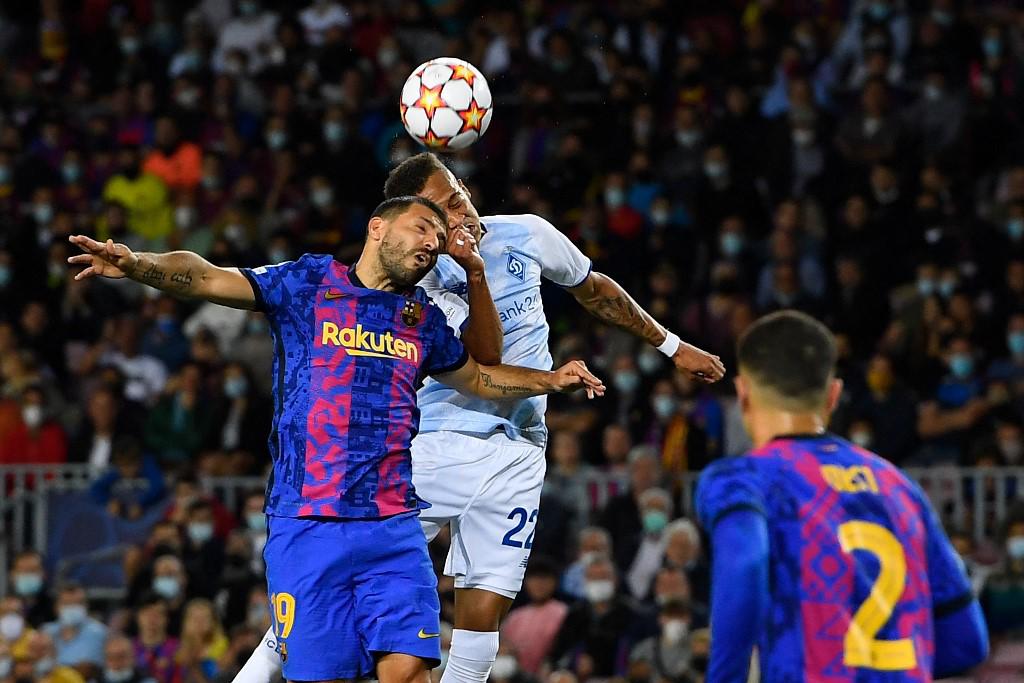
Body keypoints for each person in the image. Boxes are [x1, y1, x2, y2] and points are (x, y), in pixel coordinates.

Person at [68, 195, 604, 683]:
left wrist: (549, 379)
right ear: (377, 227)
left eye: (437, 241)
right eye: (421, 229)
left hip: (393, 526)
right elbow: (206, 277)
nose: (430, 245)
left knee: (410, 673)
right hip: (308, 524)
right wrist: (138, 265)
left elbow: (480, 379)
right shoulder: (307, 284)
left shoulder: (422, 319)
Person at [236, 153, 722, 683]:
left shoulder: (529, 234)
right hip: (435, 441)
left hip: (521, 448)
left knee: (483, 616)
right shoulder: (415, 268)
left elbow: (594, 289)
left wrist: (672, 346)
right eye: (442, 210)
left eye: (457, 194)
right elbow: (478, 359)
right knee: (325, 574)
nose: (459, 212)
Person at [695, 310, 989, 681]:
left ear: (742, 393)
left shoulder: (742, 478)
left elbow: (745, 563)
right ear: (833, 395)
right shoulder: (897, 485)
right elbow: (966, 643)